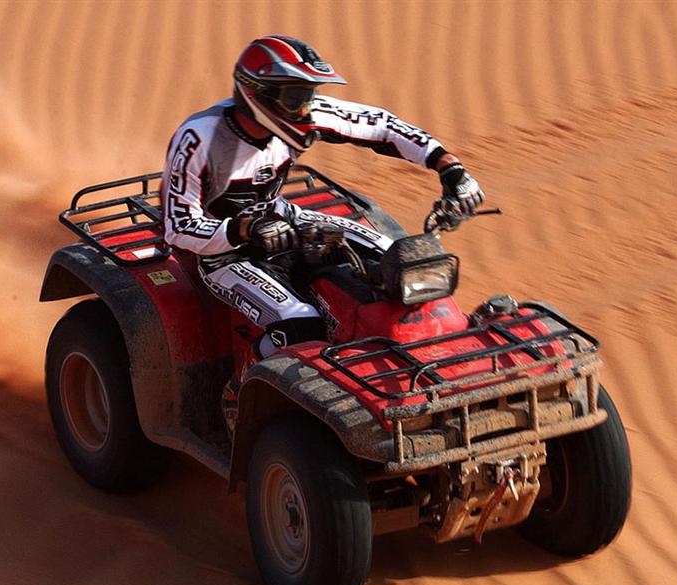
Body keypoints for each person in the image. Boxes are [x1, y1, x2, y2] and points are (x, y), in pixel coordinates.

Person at [159, 35, 484, 421]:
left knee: (396, 256)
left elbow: (383, 126)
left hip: (284, 219)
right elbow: (179, 227)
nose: (306, 109)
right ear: (257, 94)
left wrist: (450, 168)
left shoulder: (305, 114)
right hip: (224, 254)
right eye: (296, 97)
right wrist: (245, 230)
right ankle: (240, 393)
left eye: (309, 96)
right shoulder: (200, 137)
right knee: (300, 324)